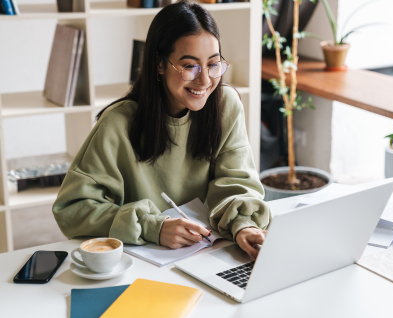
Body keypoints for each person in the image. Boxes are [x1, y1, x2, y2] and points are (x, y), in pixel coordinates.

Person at [53, 0, 271, 259]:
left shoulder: (226, 105)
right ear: (159, 64)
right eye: (190, 66)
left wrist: (243, 224)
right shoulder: (118, 123)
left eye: (213, 64)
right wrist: (152, 226)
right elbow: (72, 209)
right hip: (142, 261)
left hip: (210, 254)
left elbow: (237, 183)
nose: (205, 80)